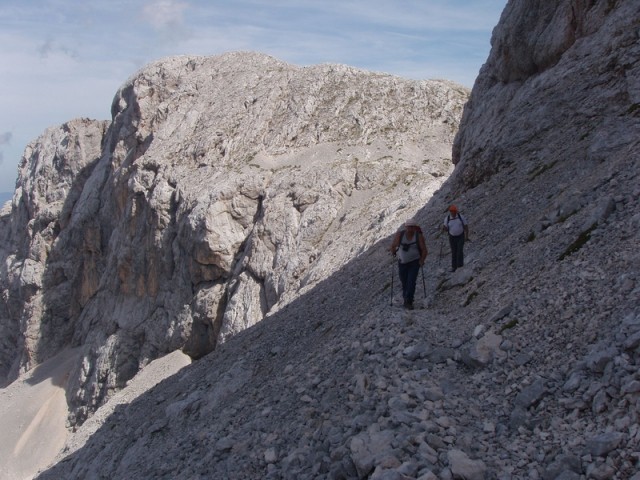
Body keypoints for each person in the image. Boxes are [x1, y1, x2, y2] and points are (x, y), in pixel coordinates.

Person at [390, 219, 428, 309]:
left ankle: (408, 301)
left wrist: (422, 260)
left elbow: (424, 250)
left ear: (414, 228)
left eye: (412, 227)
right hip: (402, 262)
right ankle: (406, 298)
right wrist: (393, 252)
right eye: (409, 227)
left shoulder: (418, 236)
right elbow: (393, 245)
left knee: (411, 281)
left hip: (414, 262)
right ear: (406, 227)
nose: (410, 229)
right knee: (404, 282)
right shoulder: (400, 235)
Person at [443, 205, 469, 272]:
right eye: (452, 212)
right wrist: (444, 228)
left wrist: (466, 236)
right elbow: (445, 229)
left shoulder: (460, 217)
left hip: (461, 236)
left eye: (454, 212)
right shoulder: (447, 218)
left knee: (459, 250)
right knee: (454, 252)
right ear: (450, 212)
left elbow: (466, 226)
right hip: (452, 237)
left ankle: (460, 266)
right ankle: (454, 267)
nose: (453, 213)